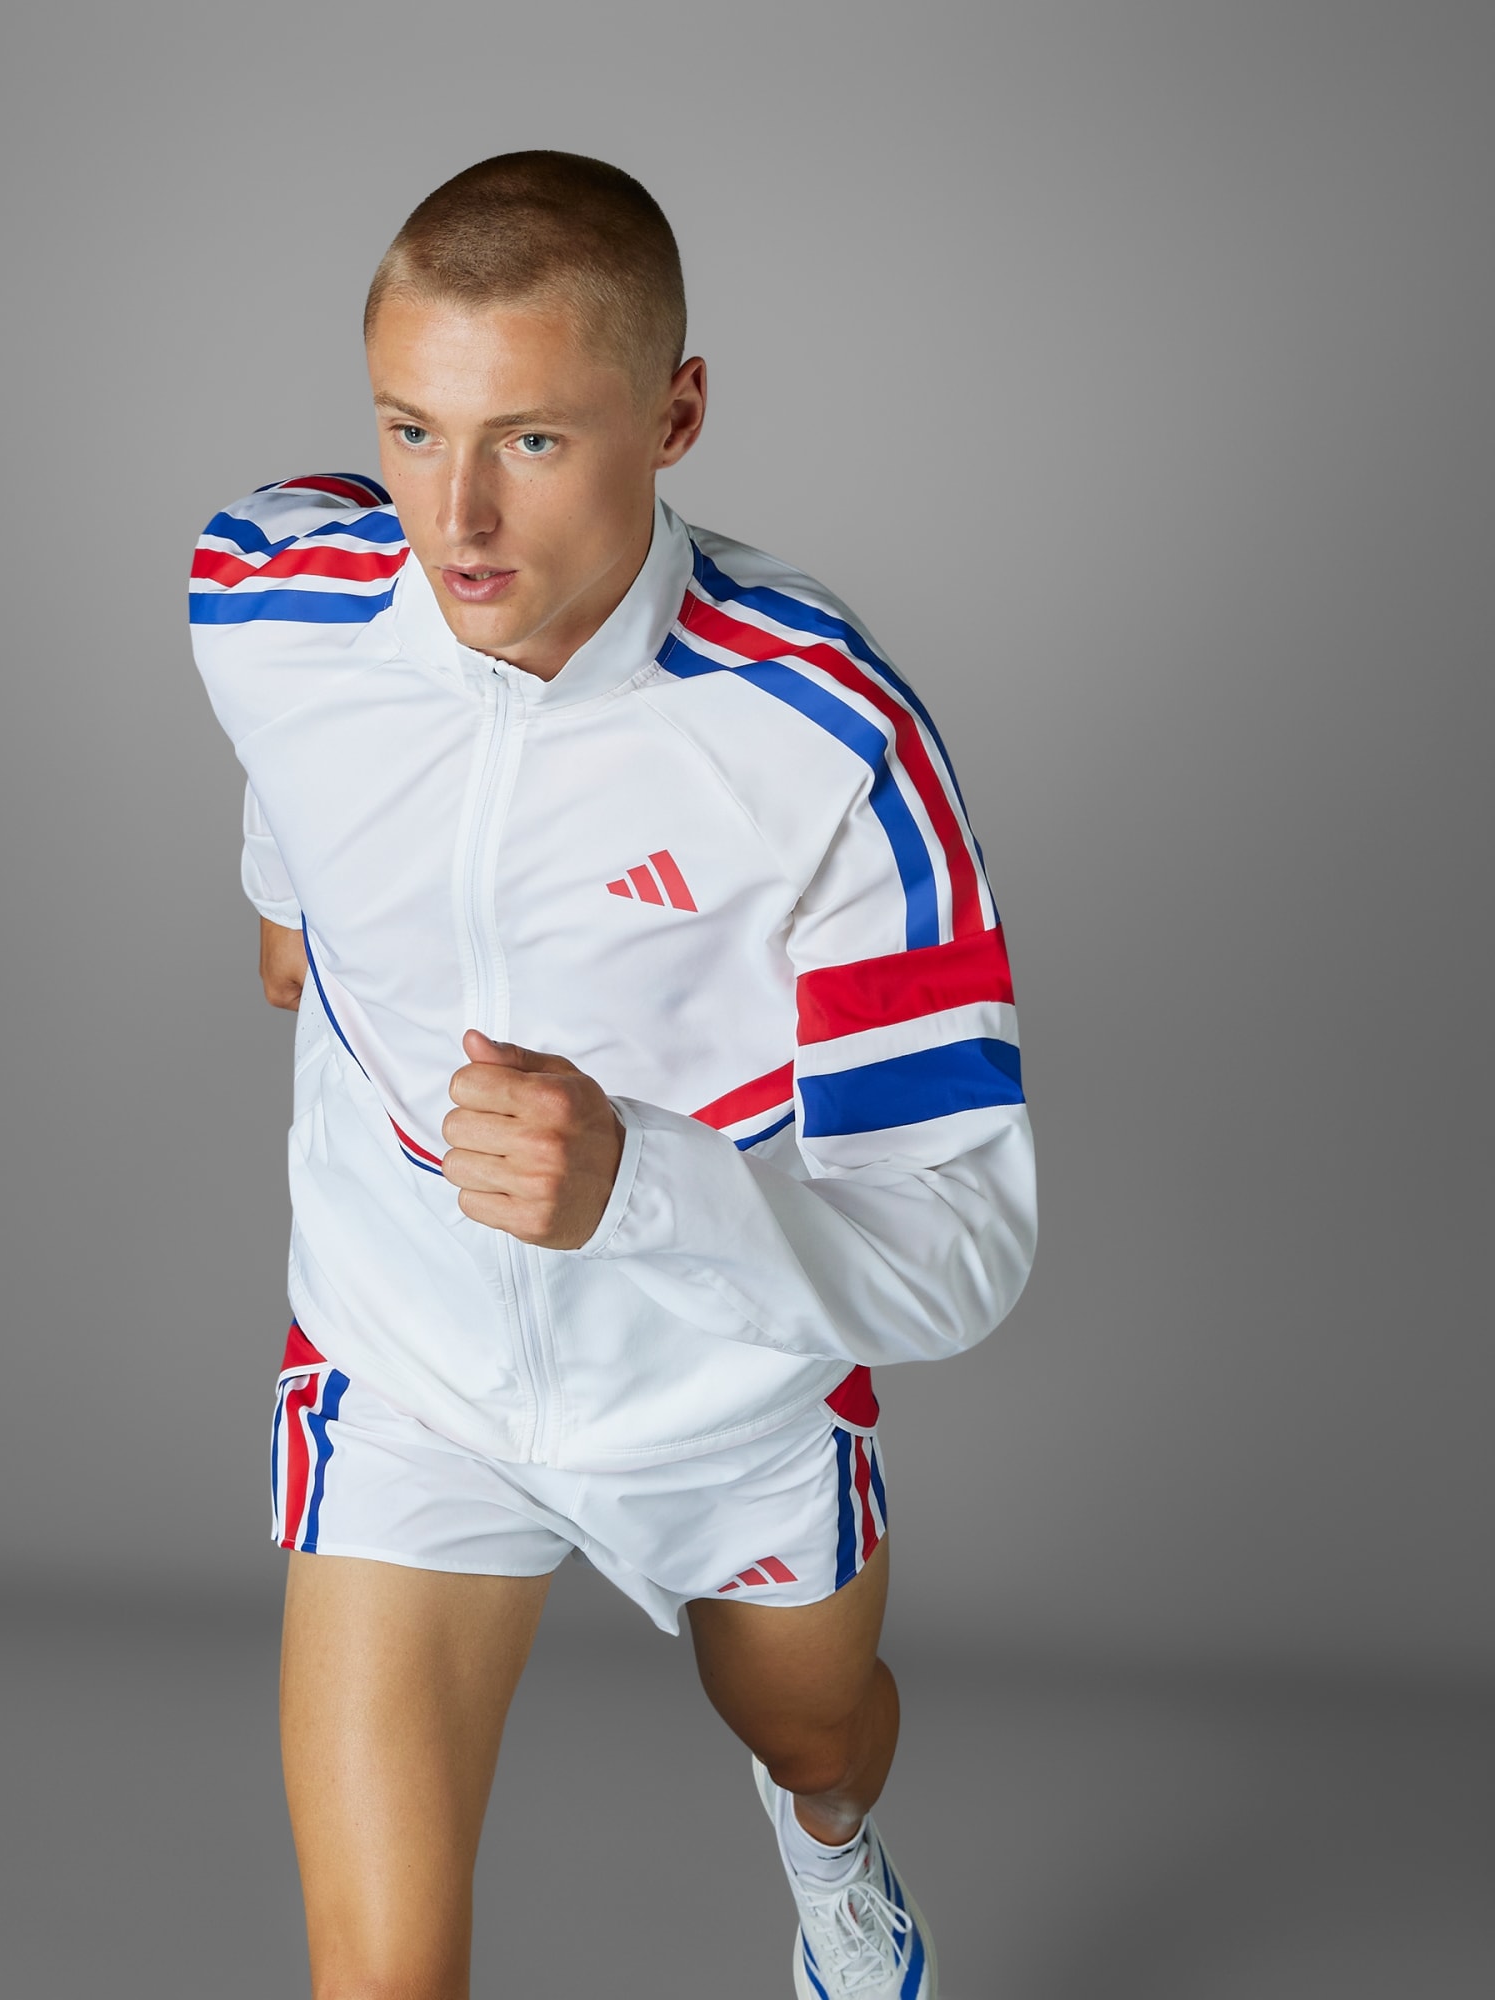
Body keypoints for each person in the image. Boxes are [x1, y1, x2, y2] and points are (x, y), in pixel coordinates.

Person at [189, 150, 1034, 2000]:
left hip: (723, 1397)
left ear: (676, 415)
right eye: (411, 431)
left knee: (815, 1732)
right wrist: (287, 889)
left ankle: (829, 1854)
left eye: (533, 441)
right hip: (406, 1372)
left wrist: (636, 1181)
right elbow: (299, 733)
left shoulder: (829, 738)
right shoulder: (264, 595)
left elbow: (964, 1244)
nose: (455, 519)